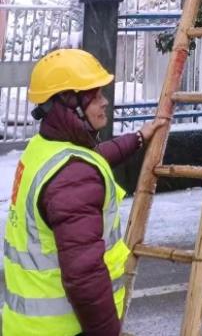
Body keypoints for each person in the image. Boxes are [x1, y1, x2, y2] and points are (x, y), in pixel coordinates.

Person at [2, 48, 166, 336]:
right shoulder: (73, 174)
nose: (105, 102)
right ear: (68, 104)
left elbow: (95, 157)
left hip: (27, 327)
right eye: (95, 95)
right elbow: (85, 277)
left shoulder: (46, 149)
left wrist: (138, 138)